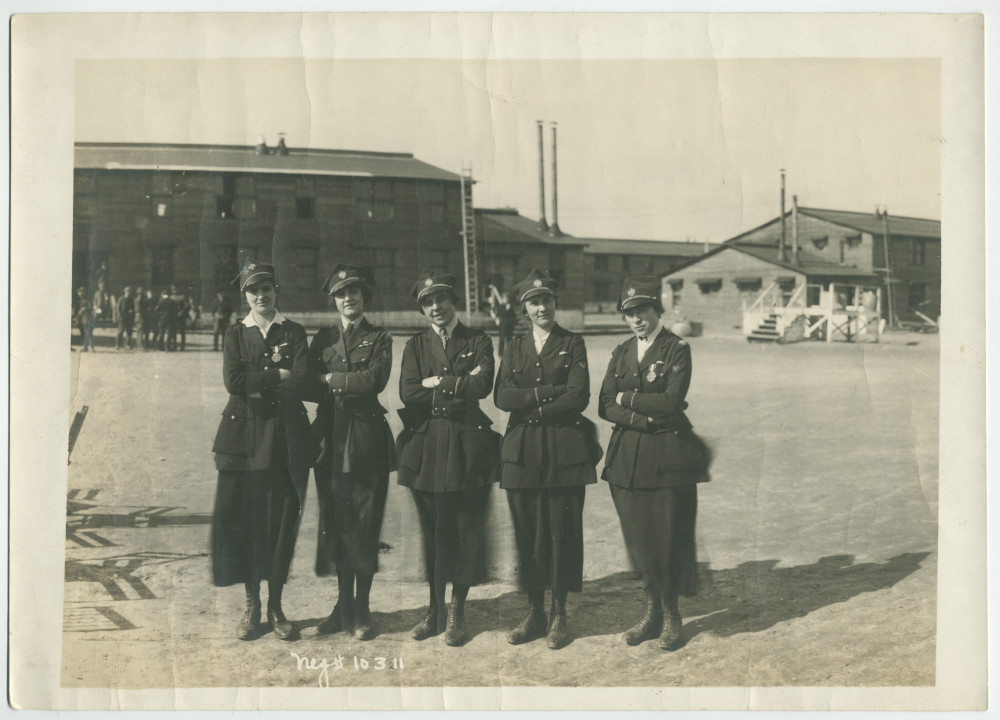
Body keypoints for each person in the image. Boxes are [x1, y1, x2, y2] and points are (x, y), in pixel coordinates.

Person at [598, 276, 711, 650]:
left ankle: (672, 614)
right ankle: (650, 614)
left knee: (669, 536)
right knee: (641, 538)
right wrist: (641, 415)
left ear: (656, 310)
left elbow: (671, 402)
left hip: (667, 456)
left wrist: (626, 400)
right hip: (627, 458)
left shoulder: (677, 348)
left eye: (642, 310)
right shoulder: (621, 351)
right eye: (629, 313)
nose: (636, 319)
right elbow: (603, 404)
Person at [493, 269, 602, 650]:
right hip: (522, 454)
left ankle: (559, 613)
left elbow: (579, 396)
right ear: (524, 308)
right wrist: (550, 393)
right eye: (534, 302)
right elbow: (501, 398)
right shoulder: (514, 347)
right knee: (529, 535)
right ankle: (534, 611)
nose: (542, 308)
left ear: (556, 304)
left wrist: (532, 402)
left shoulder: (573, 343)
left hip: (564, 451)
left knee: (562, 532)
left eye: (548, 301)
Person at [395, 269, 500, 646]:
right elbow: (408, 393)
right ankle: (433, 608)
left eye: (440, 299)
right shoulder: (416, 345)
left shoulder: (478, 339)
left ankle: (457, 609)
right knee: (434, 532)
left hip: (468, 445)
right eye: (427, 302)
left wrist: (436, 382)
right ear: (422, 308)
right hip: (428, 447)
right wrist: (457, 383)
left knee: (466, 528)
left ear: (453, 300)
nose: (435, 307)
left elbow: (483, 385)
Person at [210, 263, 314, 641]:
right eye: (253, 290)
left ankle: (276, 606)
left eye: (266, 287)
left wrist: (273, 381)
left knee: (281, 522)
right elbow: (233, 382)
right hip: (244, 440)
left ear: (276, 290)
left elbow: (302, 379)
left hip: (286, 439)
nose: (261, 295)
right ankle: (252, 605)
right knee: (247, 523)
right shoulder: (236, 333)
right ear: (245, 296)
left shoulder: (294, 331)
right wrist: (277, 375)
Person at [309, 264, 396, 641]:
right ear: (334, 300)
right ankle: (342, 605)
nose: (349, 298)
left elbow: (374, 380)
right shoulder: (323, 338)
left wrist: (332, 379)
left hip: (365, 440)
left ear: (364, 297)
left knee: (365, 526)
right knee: (337, 528)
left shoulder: (379, 337)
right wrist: (337, 382)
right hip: (329, 441)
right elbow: (306, 383)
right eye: (342, 294)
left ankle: (361, 608)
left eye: (355, 292)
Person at [488, 279, 518, 357]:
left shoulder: (511, 308)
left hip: (509, 327)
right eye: (504, 298)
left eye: (506, 298)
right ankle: (500, 354)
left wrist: (513, 324)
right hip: (502, 326)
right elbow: (495, 312)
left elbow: (514, 318)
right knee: (501, 340)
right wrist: (496, 318)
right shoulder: (502, 307)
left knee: (509, 340)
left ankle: (509, 354)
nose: (505, 299)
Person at [74, 286, 92, 351]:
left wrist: (84, 308)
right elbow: (75, 309)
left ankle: (86, 347)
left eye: (82, 293)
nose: (81, 294)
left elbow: (91, 307)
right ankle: (84, 347)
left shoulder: (87, 300)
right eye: (80, 293)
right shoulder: (76, 301)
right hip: (79, 318)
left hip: (85, 319)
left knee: (86, 333)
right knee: (82, 333)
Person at [133, 286, 147, 350]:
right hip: (140, 316)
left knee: (139, 331)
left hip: (137, 316)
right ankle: (140, 345)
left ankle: (138, 345)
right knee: (140, 331)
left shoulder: (137, 299)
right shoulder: (140, 299)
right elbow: (140, 309)